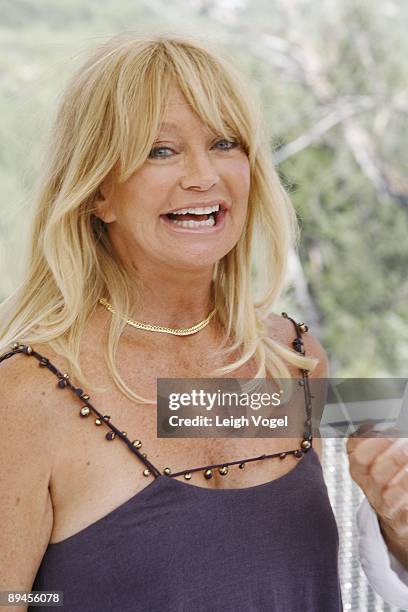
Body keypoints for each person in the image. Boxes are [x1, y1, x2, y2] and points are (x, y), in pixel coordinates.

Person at [0, 33, 407, 612]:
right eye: (159, 150)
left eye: (224, 143)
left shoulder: (291, 359)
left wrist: (398, 527)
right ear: (97, 194)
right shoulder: (28, 396)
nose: (202, 176)